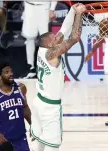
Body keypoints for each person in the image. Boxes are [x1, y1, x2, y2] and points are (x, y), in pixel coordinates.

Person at [30, 3, 86, 151]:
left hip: (39, 102)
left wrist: (72, 11)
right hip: (49, 107)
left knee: (39, 144)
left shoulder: (44, 50)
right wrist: (79, 15)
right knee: (52, 147)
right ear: (50, 45)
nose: (58, 38)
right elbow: (74, 38)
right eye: (55, 39)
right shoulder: (51, 54)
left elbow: (64, 30)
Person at [21, 1, 58, 79]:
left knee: (45, 39)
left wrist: (52, 9)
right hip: (29, 6)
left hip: (44, 7)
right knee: (29, 39)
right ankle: (30, 68)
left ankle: (47, 68)